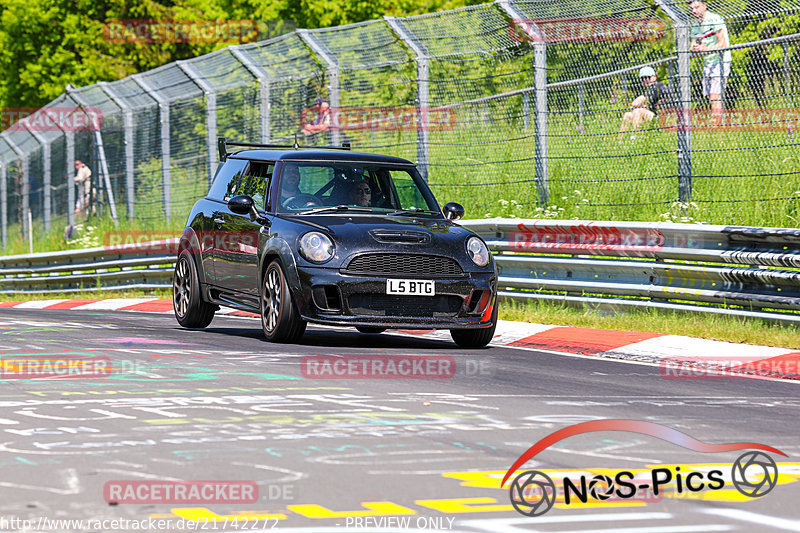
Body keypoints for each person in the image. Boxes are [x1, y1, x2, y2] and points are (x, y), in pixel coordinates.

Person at [689, 0, 731, 125]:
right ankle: (716, 121)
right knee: (709, 94)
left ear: (704, 6)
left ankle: (715, 123)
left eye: (696, 7)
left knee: (715, 94)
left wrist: (705, 49)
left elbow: (723, 43)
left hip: (720, 61)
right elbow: (693, 45)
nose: (694, 11)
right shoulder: (696, 24)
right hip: (708, 62)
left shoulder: (714, 19)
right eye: (692, 9)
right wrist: (695, 48)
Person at [618, 66, 675, 140]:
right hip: (654, 115)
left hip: (662, 117)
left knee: (638, 110)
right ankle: (620, 141)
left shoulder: (657, 86)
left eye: (647, 78)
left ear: (654, 77)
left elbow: (635, 103)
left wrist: (641, 106)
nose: (645, 80)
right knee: (627, 115)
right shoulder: (651, 89)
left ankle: (637, 137)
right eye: (642, 78)